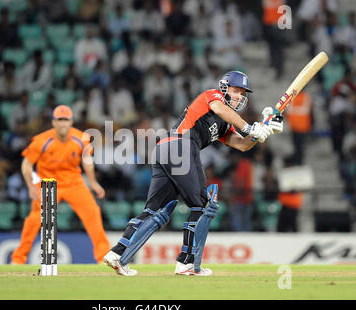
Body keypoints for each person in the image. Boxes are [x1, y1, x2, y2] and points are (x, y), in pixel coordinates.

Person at [103, 70, 284, 276]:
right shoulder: (212, 96)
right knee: (202, 205)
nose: (239, 97)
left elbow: (242, 145)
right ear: (224, 88)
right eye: (236, 91)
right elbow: (220, 109)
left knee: (156, 210)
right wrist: (250, 126)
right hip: (181, 146)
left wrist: (264, 130)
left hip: (166, 150)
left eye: (243, 94)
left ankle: (117, 253)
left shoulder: (226, 122)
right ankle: (186, 262)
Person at [11, 105, 110, 264]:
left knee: (92, 213)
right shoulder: (42, 140)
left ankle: (103, 256)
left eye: (66, 119)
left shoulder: (81, 138)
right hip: (47, 183)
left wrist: (93, 183)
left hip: (73, 182)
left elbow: (87, 162)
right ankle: (18, 259)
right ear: (53, 122)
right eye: (59, 120)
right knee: (34, 220)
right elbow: (26, 165)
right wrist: (31, 186)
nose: (63, 123)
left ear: (71, 122)